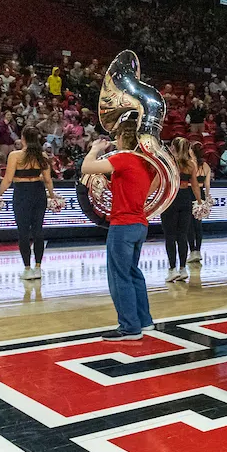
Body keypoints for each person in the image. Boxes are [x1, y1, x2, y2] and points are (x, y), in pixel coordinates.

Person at [80, 120, 155, 340]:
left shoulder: (124, 158)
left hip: (122, 225)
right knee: (133, 273)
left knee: (119, 276)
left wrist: (95, 149)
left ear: (122, 138)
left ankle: (130, 327)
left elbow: (87, 168)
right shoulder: (146, 163)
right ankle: (144, 320)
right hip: (140, 224)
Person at [0, 126, 59, 280]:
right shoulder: (42, 156)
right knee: (38, 230)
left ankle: (27, 269)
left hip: (22, 193)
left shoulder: (15, 155)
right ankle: (38, 267)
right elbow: (48, 180)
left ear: (23, 139)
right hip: (39, 192)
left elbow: (8, 179)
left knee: (23, 231)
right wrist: (52, 196)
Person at [162, 137, 203, 282]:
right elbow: (195, 185)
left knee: (170, 236)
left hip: (170, 199)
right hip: (186, 199)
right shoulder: (191, 164)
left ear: (173, 148)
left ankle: (172, 269)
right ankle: (183, 269)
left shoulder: (169, 163)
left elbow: (156, 183)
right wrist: (199, 201)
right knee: (182, 235)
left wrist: (145, 197)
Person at [186, 142, 213, 264]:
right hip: (201, 194)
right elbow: (207, 185)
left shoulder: (189, 165)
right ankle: (198, 251)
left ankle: (192, 251)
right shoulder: (206, 166)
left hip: (189, 193)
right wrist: (207, 198)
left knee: (189, 224)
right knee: (198, 224)